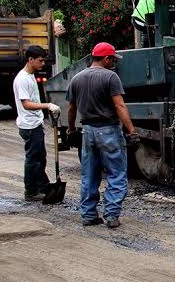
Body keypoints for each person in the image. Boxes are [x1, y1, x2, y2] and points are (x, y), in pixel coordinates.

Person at [66, 42, 137, 228]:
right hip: (109, 131)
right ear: (105, 58)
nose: (114, 62)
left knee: (89, 175)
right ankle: (112, 216)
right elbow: (119, 105)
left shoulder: (77, 78)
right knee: (117, 174)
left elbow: (71, 108)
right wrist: (132, 130)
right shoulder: (110, 77)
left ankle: (88, 215)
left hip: (87, 131)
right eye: (112, 59)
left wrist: (71, 129)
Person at [12, 45, 61, 201]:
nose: (43, 64)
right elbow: (26, 104)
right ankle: (31, 191)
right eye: (40, 61)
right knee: (33, 159)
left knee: (41, 157)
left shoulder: (31, 75)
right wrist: (47, 106)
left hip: (35, 123)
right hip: (29, 125)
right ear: (30, 59)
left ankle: (42, 185)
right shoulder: (22, 79)